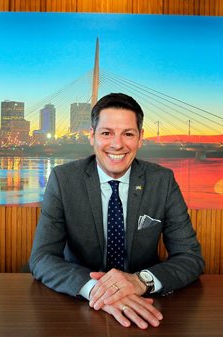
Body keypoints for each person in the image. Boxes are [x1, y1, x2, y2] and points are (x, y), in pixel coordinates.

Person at [29, 93, 204, 329]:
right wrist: (97, 291)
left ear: (141, 138)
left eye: (128, 134)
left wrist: (141, 281)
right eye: (106, 133)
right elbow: (42, 258)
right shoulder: (63, 179)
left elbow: (190, 257)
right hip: (80, 307)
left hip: (147, 302)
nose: (117, 144)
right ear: (92, 137)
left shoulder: (162, 181)